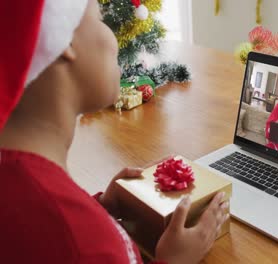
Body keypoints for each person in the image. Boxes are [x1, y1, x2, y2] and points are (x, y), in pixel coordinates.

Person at [0, 1, 228, 263]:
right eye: (99, 19)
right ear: (64, 41)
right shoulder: (92, 245)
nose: (115, 38)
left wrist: (99, 208)